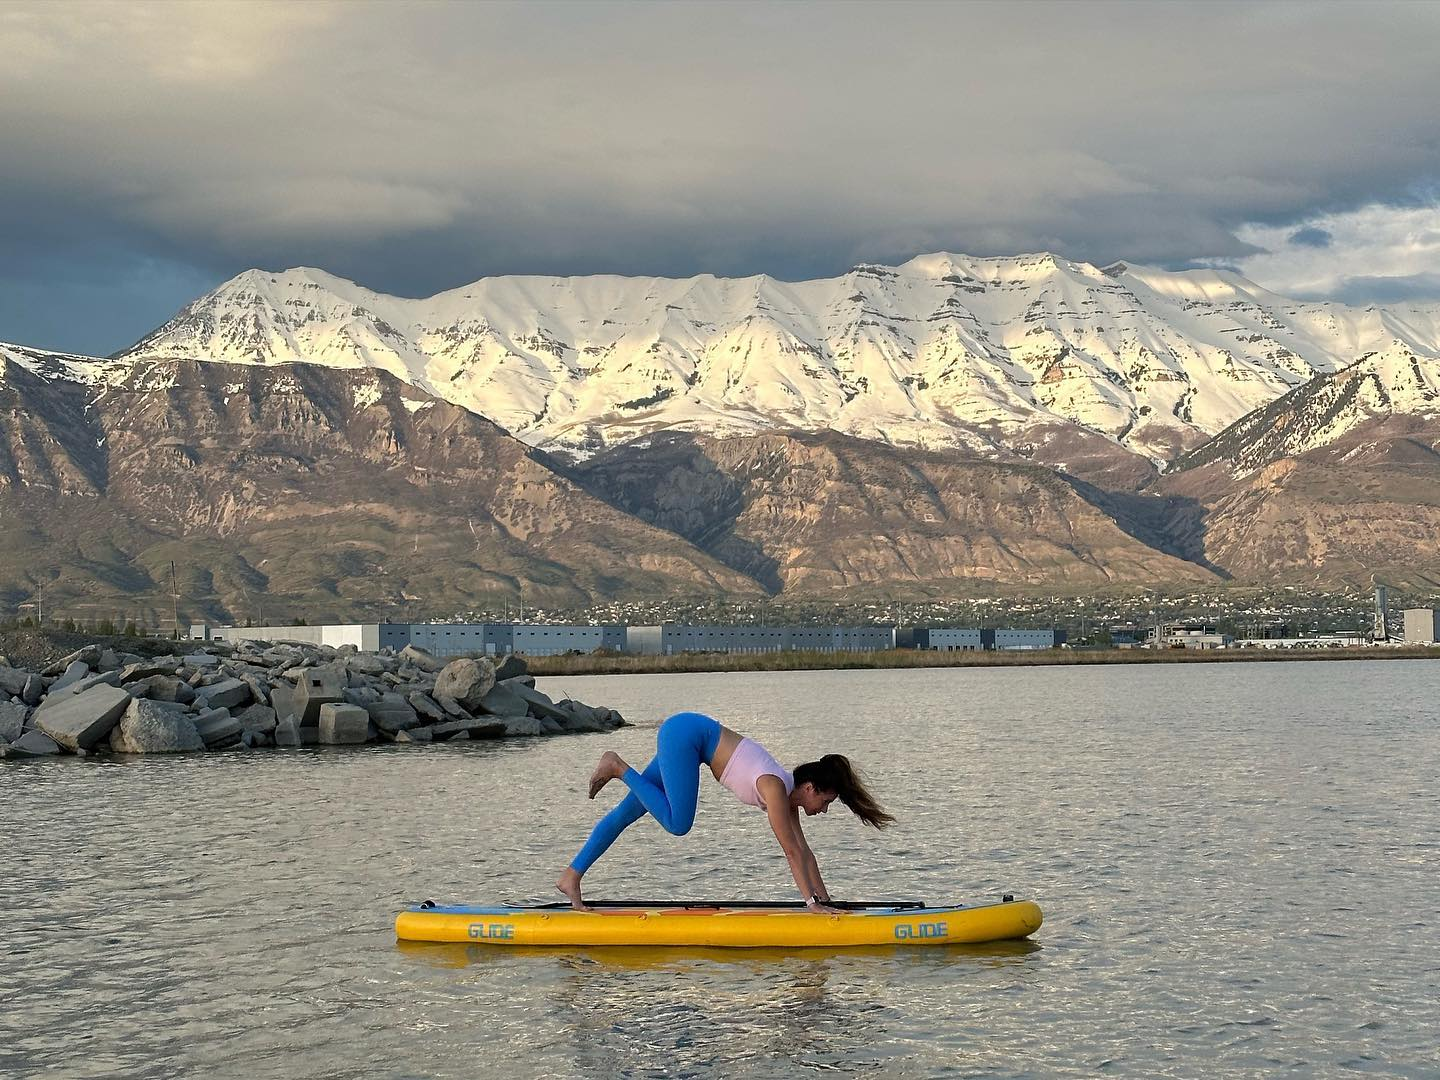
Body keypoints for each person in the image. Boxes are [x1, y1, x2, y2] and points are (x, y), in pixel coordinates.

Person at [556, 710, 894, 912]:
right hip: (685, 737)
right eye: (826, 802)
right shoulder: (775, 789)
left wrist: (826, 902)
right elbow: (790, 852)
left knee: (629, 812)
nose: (824, 810)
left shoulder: (787, 794)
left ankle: (571, 876)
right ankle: (617, 766)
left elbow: (805, 854)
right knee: (677, 822)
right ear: (810, 788)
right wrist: (811, 905)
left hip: (688, 737)